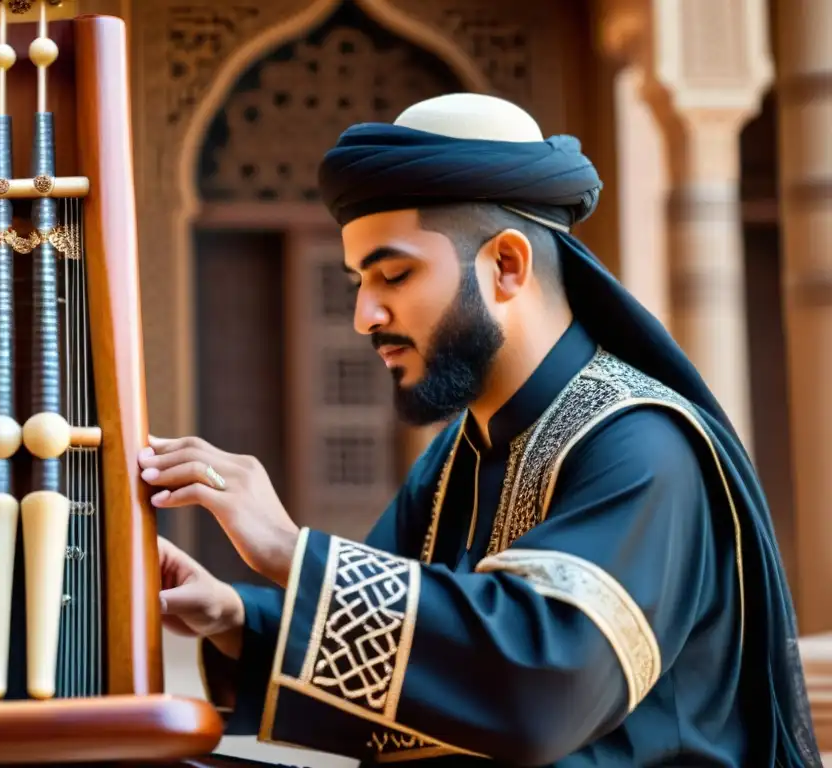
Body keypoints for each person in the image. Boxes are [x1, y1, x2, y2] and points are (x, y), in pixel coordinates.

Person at [137, 93, 820, 766]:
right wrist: (235, 619)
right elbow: (403, 665)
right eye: (358, 284)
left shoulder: (642, 447)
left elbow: (542, 698)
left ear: (507, 266)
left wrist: (291, 551)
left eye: (394, 275)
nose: (364, 316)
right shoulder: (451, 465)